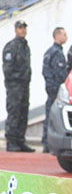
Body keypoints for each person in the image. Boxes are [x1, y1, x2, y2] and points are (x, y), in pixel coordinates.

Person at [2, 20, 34, 152]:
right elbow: (8, 70)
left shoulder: (25, 46)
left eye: (24, 28)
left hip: (24, 85)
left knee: (23, 112)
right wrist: (18, 79)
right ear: (16, 30)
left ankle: (20, 141)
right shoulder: (11, 46)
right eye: (20, 28)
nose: (23, 30)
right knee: (14, 112)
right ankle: (12, 141)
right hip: (15, 86)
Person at [42, 26, 68, 153]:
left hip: (56, 89)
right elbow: (49, 73)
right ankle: (47, 143)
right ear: (57, 36)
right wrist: (52, 88)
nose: (66, 37)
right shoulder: (54, 52)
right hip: (54, 90)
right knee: (50, 116)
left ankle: (47, 143)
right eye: (64, 35)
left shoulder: (57, 52)